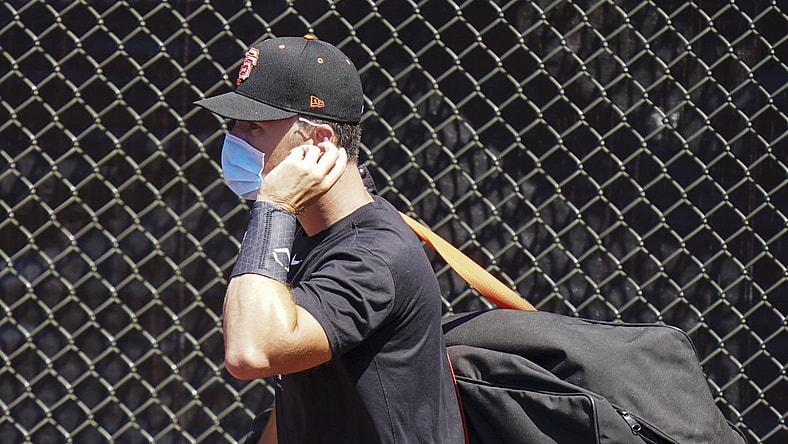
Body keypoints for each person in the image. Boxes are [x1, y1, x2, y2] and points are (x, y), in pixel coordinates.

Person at [194, 35, 464, 444]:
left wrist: (273, 206)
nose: (234, 140)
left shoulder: (372, 255)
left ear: (318, 142)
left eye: (254, 126)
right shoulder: (308, 229)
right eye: (233, 124)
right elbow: (295, 395)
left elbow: (250, 353)